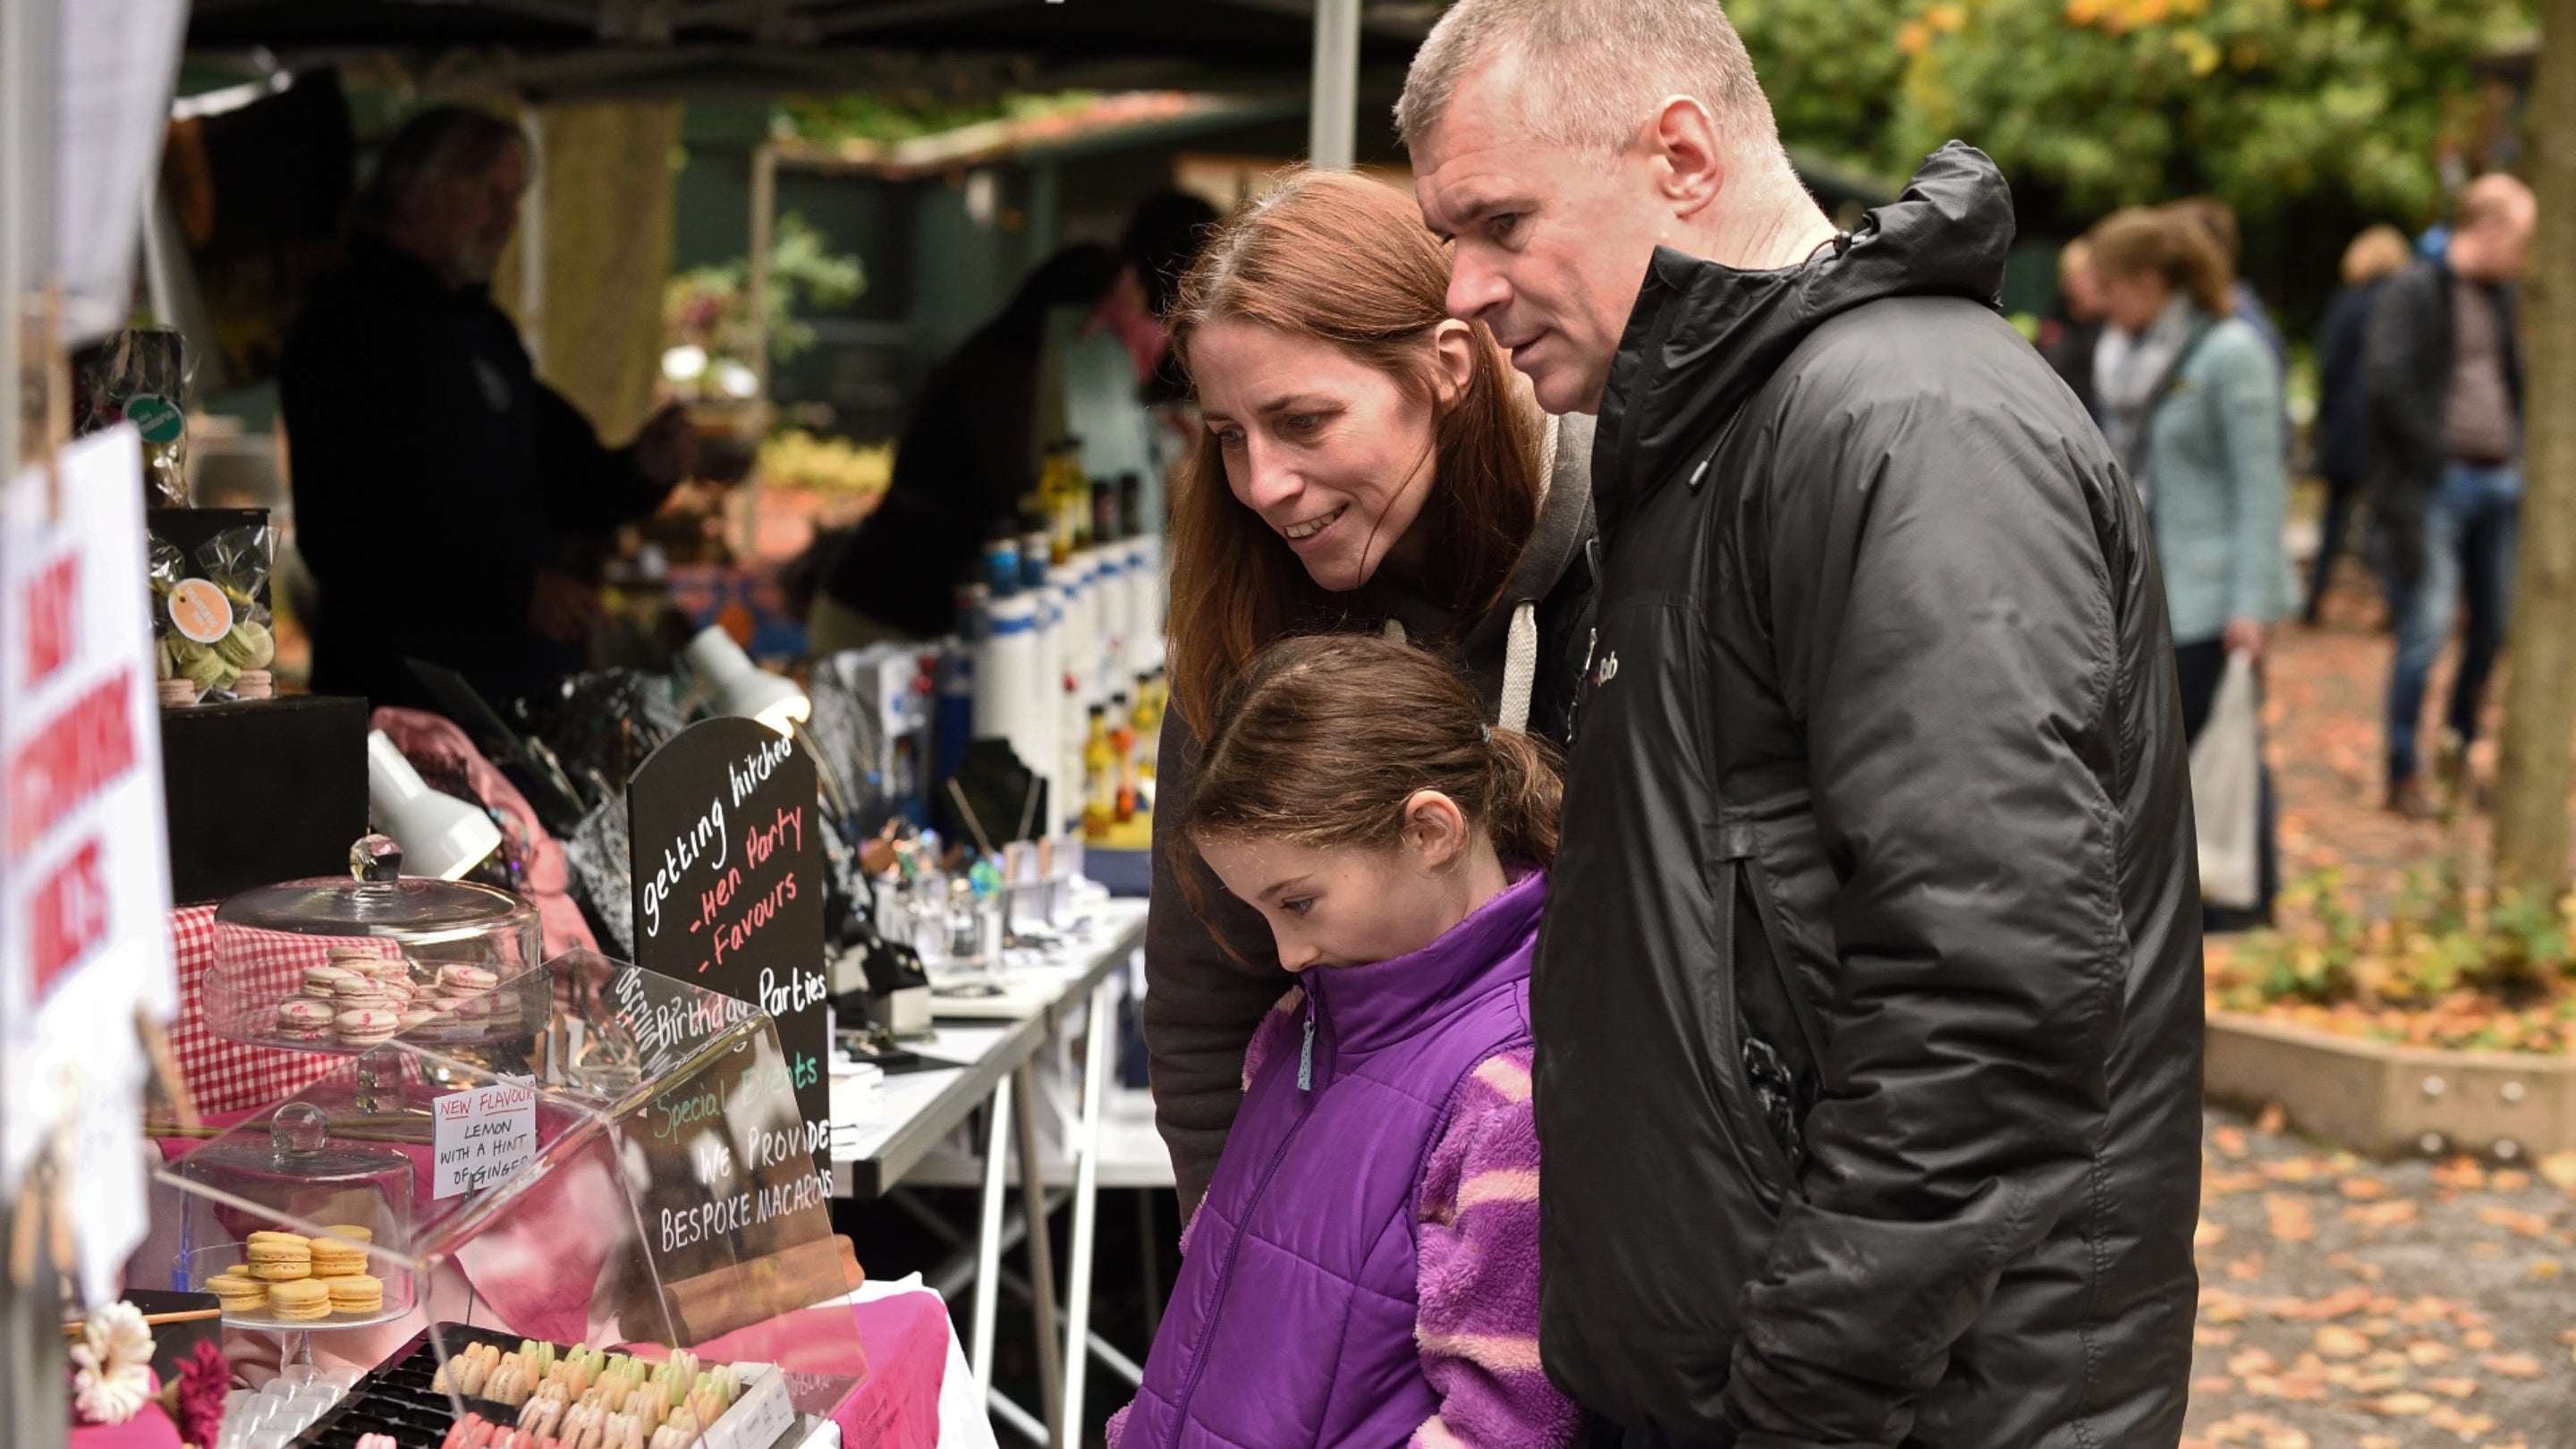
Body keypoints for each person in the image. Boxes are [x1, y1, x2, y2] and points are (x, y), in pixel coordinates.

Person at [1399, 2, 2201, 1445]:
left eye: (1500, 222)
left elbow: (1989, 999)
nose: (1463, 288)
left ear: (1684, 155)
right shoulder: (1733, 429)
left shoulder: (1906, 427)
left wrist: (1797, 1399)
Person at [1142, 169, 1597, 1216]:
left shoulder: (1637, 547)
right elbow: (1208, 994)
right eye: (1228, 435)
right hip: (1360, 1234)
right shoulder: (1248, 612)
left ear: (1444, 367)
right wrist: (1229, 1267)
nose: (1262, 485)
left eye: (1304, 421)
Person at [1110, 634, 1581, 1449]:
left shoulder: (1511, 1089)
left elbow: (1505, 1421)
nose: (1286, 955)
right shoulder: (1304, 1026)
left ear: (1431, 831)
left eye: (1297, 904)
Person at [283, 106, 696, 712]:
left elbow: (559, 476)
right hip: (406, 709)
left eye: (515, 195)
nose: (506, 216)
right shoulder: (344, 331)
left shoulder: (483, 331)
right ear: (410, 191)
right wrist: (513, 594)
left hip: (516, 700)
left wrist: (642, 468)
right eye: (486, 190)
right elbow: (350, 534)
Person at [2090, 206, 2295, 928]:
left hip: (2213, 596)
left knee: (2220, 744)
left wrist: (2252, 605)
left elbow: (2260, 486)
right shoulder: (2127, 356)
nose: (2100, 302)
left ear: (2149, 282)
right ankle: (2201, 904)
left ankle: (2244, 908)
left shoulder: (2230, 352)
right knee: (2176, 749)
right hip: (2151, 588)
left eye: (2109, 286)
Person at [814, 243, 1119, 646]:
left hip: (900, 606)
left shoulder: (1004, 360)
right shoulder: (1004, 370)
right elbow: (1015, 494)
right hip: (883, 615)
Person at [2367, 173, 2536, 819]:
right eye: (2519, 238)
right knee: (2428, 627)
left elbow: (2507, 383)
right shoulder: (2416, 287)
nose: (2524, 254)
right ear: (2488, 228)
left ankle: (2457, 755)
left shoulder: (2501, 298)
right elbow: (2386, 382)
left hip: (2500, 479)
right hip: (2438, 484)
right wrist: (2433, 457)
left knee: (2492, 628)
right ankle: (2403, 768)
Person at [2306, 225, 2413, 624]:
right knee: (2385, 519)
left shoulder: (2347, 304)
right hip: (2385, 430)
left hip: (2346, 428)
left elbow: (2329, 366)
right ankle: (2392, 605)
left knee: (2334, 517)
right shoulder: (2404, 303)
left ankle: (2315, 597)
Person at [2034, 235, 2106, 417]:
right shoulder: (2053, 320)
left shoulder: (2114, 325)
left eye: (2092, 276)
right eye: (2079, 276)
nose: (2087, 284)